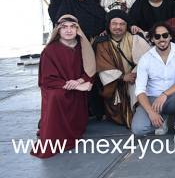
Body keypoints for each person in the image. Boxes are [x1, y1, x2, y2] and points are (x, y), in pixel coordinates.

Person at [33, 15, 96, 158]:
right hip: (56, 88)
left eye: (72, 27)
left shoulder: (83, 48)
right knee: (57, 96)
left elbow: (90, 71)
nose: (69, 30)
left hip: (78, 85)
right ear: (58, 30)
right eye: (64, 27)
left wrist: (80, 81)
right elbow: (47, 79)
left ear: (77, 30)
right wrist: (70, 85)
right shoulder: (50, 51)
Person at [131, 22, 175, 143]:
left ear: (170, 36)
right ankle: (161, 119)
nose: (162, 39)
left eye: (165, 35)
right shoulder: (145, 59)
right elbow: (140, 90)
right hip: (152, 100)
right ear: (152, 39)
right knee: (138, 129)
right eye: (157, 36)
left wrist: (164, 94)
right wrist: (151, 112)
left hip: (173, 97)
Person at [95, 10, 151, 128]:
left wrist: (134, 74)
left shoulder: (135, 38)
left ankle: (142, 117)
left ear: (127, 26)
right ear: (109, 25)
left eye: (122, 24)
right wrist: (122, 77)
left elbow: (147, 59)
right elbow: (103, 66)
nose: (118, 27)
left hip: (134, 78)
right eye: (114, 24)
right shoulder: (102, 43)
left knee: (139, 90)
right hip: (114, 84)